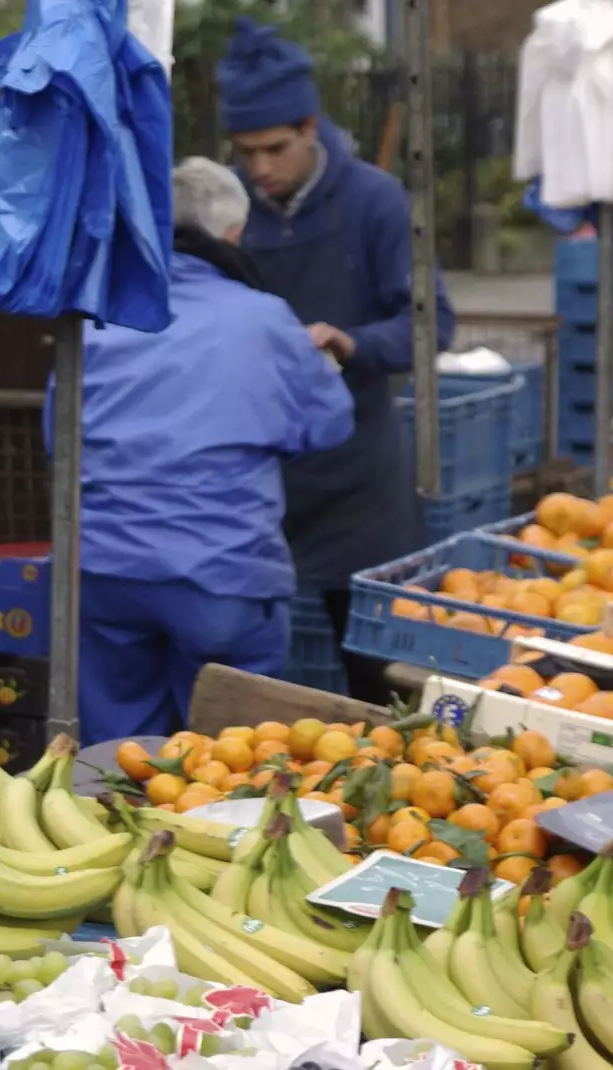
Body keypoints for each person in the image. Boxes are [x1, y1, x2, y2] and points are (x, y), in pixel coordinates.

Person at [48, 157, 356, 746]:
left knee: (117, 759)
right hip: (225, 573)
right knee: (228, 759)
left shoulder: (96, 321)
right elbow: (329, 425)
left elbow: (55, 438)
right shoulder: (266, 320)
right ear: (234, 234)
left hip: (103, 574)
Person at [217, 19, 458, 703]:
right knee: (249, 686)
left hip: (360, 483)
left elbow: (431, 324)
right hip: (259, 480)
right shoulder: (232, 213)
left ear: (311, 127)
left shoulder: (376, 203)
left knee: (379, 676)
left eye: (274, 148)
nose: (259, 168)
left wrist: (351, 343)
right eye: (245, 151)